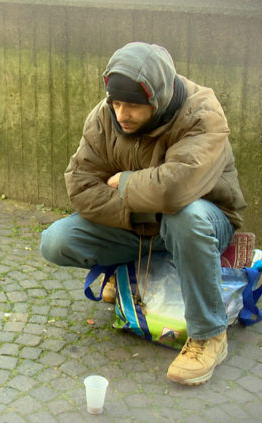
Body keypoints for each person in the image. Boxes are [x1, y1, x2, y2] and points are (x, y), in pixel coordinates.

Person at [39, 42, 247, 386]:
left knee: (184, 216)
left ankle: (210, 334)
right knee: (56, 241)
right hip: (144, 223)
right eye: (116, 103)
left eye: (133, 105)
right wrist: (145, 212)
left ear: (159, 98)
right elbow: (80, 187)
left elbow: (174, 191)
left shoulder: (202, 114)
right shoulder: (105, 116)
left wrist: (125, 183)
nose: (122, 114)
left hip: (206, 219)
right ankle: (132, 269)